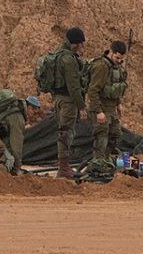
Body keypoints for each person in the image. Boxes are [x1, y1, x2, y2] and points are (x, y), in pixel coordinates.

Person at [51, 27, 88, 179]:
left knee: (63, 132)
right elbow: (74, 86)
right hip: (68, 101)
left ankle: (63, 166)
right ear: (76, 44)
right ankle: (64, 168)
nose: (82, 47)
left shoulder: (58, 55)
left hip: (59, 99)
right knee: (66, 133)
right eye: (81, 44)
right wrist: (81, 106)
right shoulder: (69, 60)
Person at [86, 40, 128, 170]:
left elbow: (115, 87)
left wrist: (118, 104)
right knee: (101, 138)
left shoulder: (115, 67)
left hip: (111, 108)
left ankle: (106, 160)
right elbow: (93, 90)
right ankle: (97, 165)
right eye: (117, 57)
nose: (119, 61)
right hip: (100, 108)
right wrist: (98, 111)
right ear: (110, 52)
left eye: (121, 59)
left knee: (115, 134)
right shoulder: (101, 66)